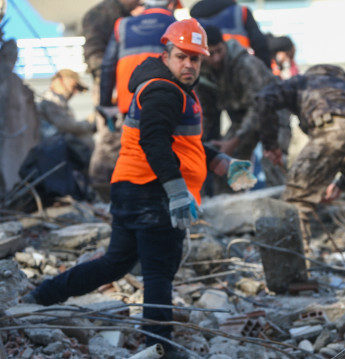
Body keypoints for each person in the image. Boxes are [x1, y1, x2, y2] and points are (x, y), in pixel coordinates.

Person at [22, 19, 255, 359]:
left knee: (114, 264)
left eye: (196, 58)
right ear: (167, 54)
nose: (189, 64)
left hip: (132, 188)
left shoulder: (165, 86)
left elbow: (176, 142)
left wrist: (219, 161)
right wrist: (176, 191)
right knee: (159, 271)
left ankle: (42, 296)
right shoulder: (165, 91)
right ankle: (160, 347)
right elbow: (154, 142)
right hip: (151, 192)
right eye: (182, 56)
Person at [255, 64, 345, 291]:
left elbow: (264, 98)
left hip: (328, 134)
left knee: (295, 205)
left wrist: (271, 144)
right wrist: (341, 183)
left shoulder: (303, 82)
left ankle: (295, 280)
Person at [89, 0, 178, 201]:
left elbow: (107, 65)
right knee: (162, 151)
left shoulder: (122, 25)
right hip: (163, 102)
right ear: (171, 4)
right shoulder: (174, 25)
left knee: (129, 155)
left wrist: (105, 103)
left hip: (128, 105)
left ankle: (122, 201)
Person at [198, 26, 289, 194]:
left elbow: (260, 106)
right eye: (211, 53)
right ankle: (233, 211)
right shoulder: (202, 71)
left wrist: (235, 141)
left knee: (273, 160)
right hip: (241, 118)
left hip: (272, 114)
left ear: (224, 45)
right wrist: (197, 141)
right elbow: (206, 111)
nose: (217, 58)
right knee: (223, 162)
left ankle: (286, 208)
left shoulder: (246, 64)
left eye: (219, 51)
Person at [190, 0, 271, 67]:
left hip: (209, 77)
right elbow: (260, 45)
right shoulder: (242, 12)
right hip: (242, 70)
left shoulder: (194, 21)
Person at [37, 69, 95, 151]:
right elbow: (67, 126)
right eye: (74, 87)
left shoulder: (59, 101)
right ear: (61, 80)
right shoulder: (51, 100)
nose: (75, 92)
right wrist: (89, 122)